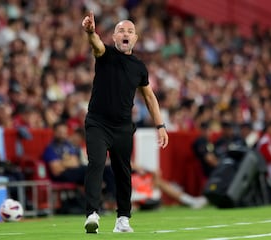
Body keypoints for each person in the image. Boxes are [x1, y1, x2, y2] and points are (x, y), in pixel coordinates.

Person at [81, 12, 169, 233]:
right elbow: (96, 46)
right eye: (121, 30)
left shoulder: (139, 67)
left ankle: (123, 219)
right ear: (113, 36)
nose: (125, 33)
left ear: (136, 38)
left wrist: (160, 125)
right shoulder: (105, 53)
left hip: (122, 127)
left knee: (123, 173)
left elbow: (149, 97)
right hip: (98, 123)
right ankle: (92, 213)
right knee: (97, 164)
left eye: (130, 31)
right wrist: (91, 32)